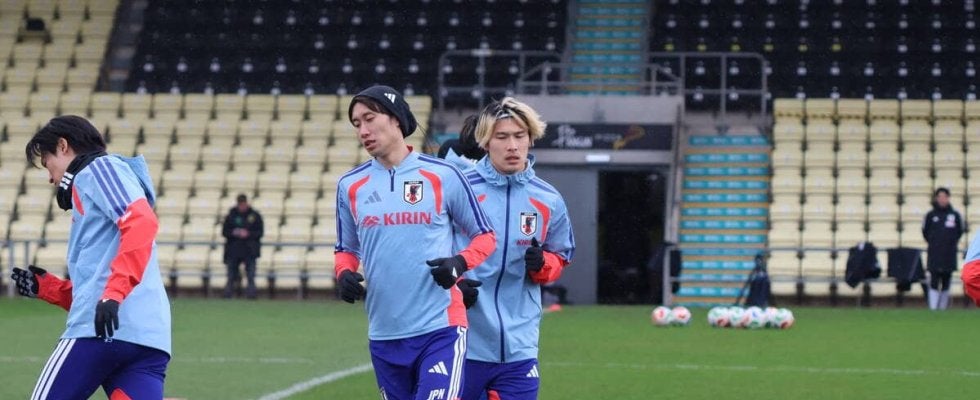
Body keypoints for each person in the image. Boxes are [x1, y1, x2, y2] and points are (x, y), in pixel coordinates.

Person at [334, 85, 496, 400]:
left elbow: (486, 236)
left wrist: (459, 263)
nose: (363, 131)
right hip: (384, 333)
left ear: (396, 118)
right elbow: (346, 249)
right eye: (356, 124)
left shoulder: (444, 175)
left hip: (441, 328)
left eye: (369, 118)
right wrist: (343, 273)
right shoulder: (350, 186)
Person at [11, 115, 171, 399]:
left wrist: (113, 295)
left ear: (63, 146)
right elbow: (102, 287)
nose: (50, 178)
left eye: (48, 164)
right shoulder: (101, 189)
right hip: (149, 339)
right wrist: (49, 289)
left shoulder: (99, 168)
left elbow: (141, 222)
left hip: (99, 334)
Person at [458, 97, 575, 400]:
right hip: (463, 341)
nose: (512, 146)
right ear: (485, 142)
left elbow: (561, 256)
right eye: (502, 137)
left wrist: (542, 264)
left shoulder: (548, 198)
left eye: (519, 136)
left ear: (530, 139)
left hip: (520, 345)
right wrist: (454, 285)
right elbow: (430, 251)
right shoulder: (459, 190)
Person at [921, 187, 963, 310]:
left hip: (949, 253)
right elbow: (925, 232)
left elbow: (959, 231)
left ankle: (943, 308)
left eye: (944, 197)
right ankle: (933, 308)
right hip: (934, 253)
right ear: (936, 198)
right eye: (940, 197)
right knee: (934, 280)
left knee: (946, 280)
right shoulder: (930, 215)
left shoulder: (955, 215)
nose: (942, 199)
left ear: (948, 198)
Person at [222, 193, 264, 299]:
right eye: (240, 204)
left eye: (243, 204)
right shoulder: (231, 215)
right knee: (231, 275)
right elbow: (225, 232)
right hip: (233, 250)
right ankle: (228, 295)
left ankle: (251, 295)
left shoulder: (255, 216)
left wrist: (248, 234)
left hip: (250, 250)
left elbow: (260, 232)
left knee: (251, 275)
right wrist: (234, 232)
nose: (242, 206)